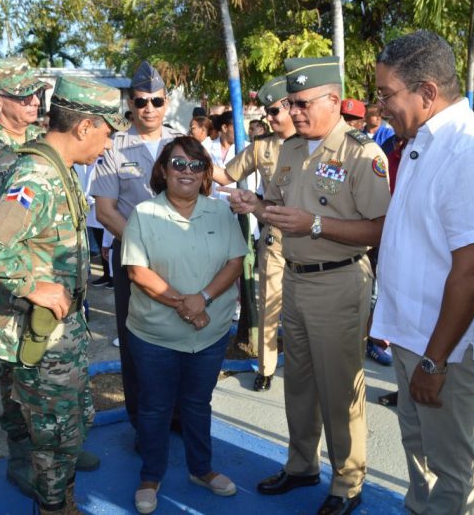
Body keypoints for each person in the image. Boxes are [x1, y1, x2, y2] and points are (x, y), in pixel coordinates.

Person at [224, 56, 390, 515]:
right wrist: (253, 204)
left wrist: (315, 224)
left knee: (340, 389)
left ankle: (347, 481)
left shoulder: (362, 154)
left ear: (333, 100)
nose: (292, 112)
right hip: (293, 279)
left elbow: (379, 230)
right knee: (298, 383)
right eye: (289, 104)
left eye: (301, 103)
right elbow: (279, 206)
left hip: (338, 282)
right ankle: (302, 465)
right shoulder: (292, 150)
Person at [0, 76, 127, 513]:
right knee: (54, 434)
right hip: (43, 333)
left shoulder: (57, 167)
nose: (108, 145)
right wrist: (32, 284)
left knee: (71, 424)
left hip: (64, 328)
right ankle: (55, 507)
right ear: (85, 126)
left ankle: (61, 497)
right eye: (108, 133)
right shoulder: (37, 177)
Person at [371, 30, 474, 515]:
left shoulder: (469, 150)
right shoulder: (422, 141)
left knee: (449, 465)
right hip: (414, 335)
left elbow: (472, 271)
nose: (381, 105)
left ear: (427, 92)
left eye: (387, 95)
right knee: (419, 449)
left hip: (443, 347)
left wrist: (434, 361)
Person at [122, 136, 246, 514]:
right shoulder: (144, 213)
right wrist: (184, 303)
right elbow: (137, 270)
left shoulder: (221, 212)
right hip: (155, 335)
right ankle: (151, 475)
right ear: (162, 170)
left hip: (208, 334)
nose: (187, 172)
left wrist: (202, 299)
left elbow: (235, 262)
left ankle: (201, 469)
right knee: (155, 408)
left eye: (196, 165)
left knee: (197, 404)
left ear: (207, 173)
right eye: (178, 164)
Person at [91, 60, 179, 432]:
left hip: (181, 259)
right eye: (141, 101)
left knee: (180, 336)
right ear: (129, 103)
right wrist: (145, 248)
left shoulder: (181, 142)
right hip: (134, 260)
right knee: (137, 343)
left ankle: (177, 415)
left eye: (156, 101)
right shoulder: (113, 147)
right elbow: (106, 211)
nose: (149, 109)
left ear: (167, 102)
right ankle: (143, 422)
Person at [213, 76, 294, 392]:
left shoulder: (315, 144)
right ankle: (266, 368)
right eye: (267, 113)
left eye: (275, 111)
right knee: (270, 305)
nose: (269, 119)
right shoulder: (263, 148)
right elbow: (227, 174)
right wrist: (198, 162)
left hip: (315, 239)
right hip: (275, 237)